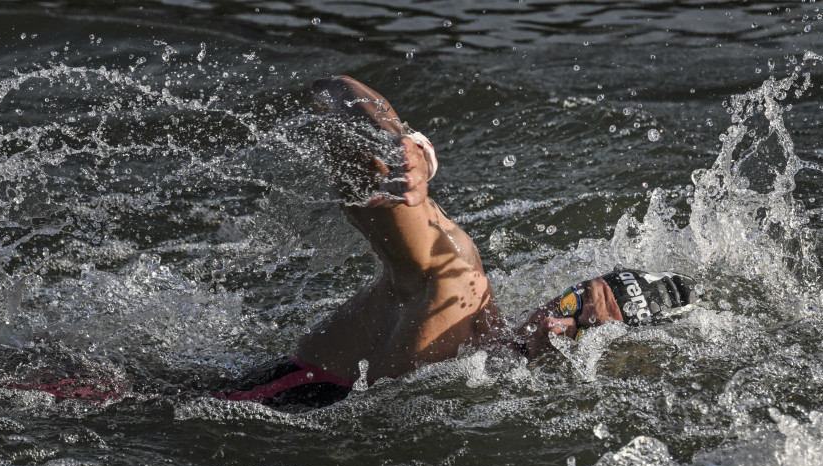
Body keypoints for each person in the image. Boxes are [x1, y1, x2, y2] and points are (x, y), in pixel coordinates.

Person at [220, 76, 701, 407]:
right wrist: (401, 147)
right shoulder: (454, 289)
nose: (555, 322)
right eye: (574, 301)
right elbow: (333, 92)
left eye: (582, 329)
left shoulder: (500, 402)